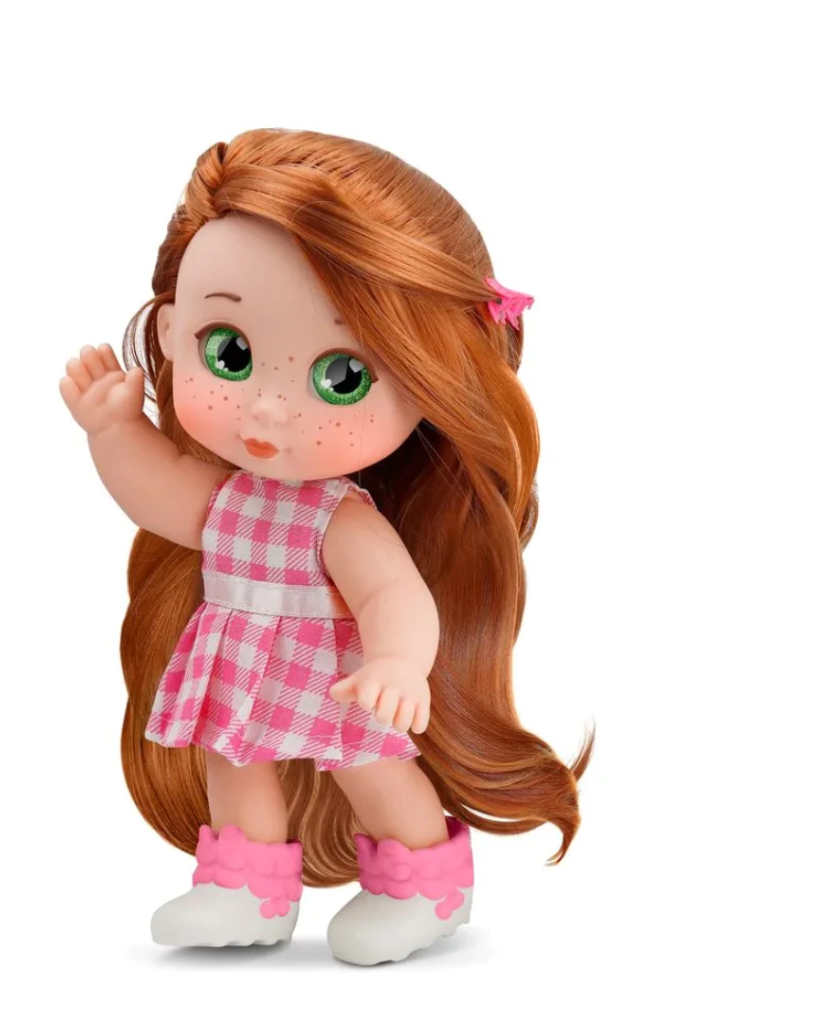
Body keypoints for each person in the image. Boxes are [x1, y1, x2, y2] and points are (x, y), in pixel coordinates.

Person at [59, 128, 592, 965]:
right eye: (229, 353)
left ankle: (424, 885)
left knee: (368, 769)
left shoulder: (340, 518)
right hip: (236, 657)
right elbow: (158, 493)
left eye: (341, 377)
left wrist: (397, 663)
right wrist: (114, 431)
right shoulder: (227, 498)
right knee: (233, 763)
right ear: (169, 331)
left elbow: (391, 594)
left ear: (430, 385)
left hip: (336, 672)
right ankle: (245, 888)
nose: (270, 410)